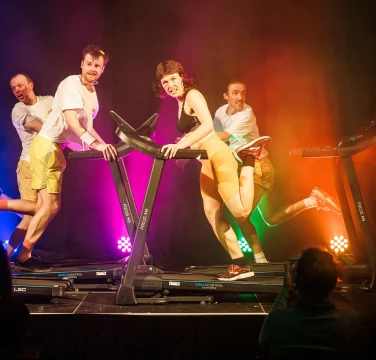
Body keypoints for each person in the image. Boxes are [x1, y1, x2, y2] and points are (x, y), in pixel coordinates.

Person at [0, 44, 117, 271]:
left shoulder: (87, 93)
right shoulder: (69, 85)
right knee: (47, 207)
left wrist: (105, 145)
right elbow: (70, 123)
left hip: (54, 150)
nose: (93, 68)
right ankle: (20, 253)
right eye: (89, 63)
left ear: (102, 70)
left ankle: (5, 240)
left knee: (41, 208)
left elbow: (86, 126)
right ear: (81, 63)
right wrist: (96, 144)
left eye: (97, 66)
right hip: (42, 150)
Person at [153, 60, 271, 280]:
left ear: (181, 76)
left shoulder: (192, 95)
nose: (170, 84)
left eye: (173, 79)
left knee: (240, 213)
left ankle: (248, 158)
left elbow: (207, 125)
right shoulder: (179, 102)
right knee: (211, 213)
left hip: (218, 155)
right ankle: (240, 264)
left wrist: (179, 146)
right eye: (165, 81)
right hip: (205, 160)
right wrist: (185, 154)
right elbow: (195, 132)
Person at [212, 80, 341, 263]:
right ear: (226, 96)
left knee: (241, 214)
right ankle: (313, 200)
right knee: (271, 218)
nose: (240, 97)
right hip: (247, 168)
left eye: (243, 92)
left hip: (259, 168)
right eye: (234, 93)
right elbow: (215, 138)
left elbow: (222, 137)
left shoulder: (246, 115)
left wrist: (195, 139)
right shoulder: (219, 113)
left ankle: (260, 259)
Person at [0, 73, 54, 260]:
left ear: (31, 84)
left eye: (20, 85)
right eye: (13, 88)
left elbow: (63, 120)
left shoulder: (49, 101)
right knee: (41, 210)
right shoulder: (18, 110)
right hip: (29, 165)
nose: (17, 90)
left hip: (47, 164)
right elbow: (42, 127)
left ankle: (7, 257)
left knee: (32, 216)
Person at [259, 247, 362, 359]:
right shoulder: (351, 321)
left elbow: (263, 345)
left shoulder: (277, 321)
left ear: (296, 281)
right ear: (335, 282)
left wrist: (285, 290)